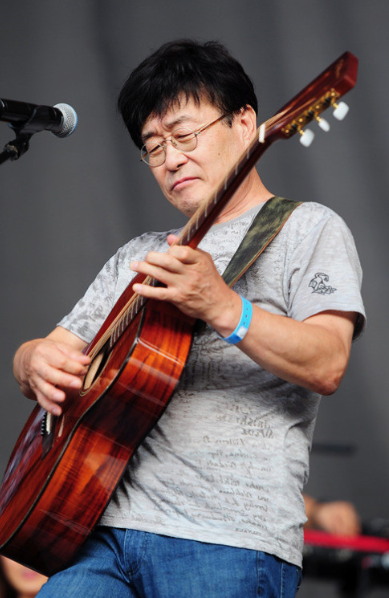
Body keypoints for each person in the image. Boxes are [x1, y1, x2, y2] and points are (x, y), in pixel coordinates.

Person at [12, 40, 365, 597]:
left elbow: (328, 362)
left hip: (227, 539)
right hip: (96, 531)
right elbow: (46, 350)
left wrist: (223, 306)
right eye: (154, 147)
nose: (171, 159)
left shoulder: (308, 229)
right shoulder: (140, 254)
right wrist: (32, 360)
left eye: (184, 136)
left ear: (244, 124)